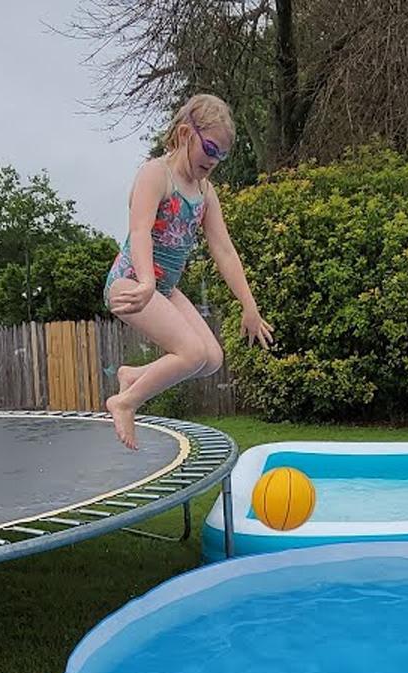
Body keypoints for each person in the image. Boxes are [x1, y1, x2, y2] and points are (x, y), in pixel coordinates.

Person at [103, 93, 273, 449]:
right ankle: (124, 402)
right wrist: (147, 280)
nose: (214, 160)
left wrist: (249, 305)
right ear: (185, 133)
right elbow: (139, 230)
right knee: (192, 353)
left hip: (162, 287)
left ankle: (132, 376)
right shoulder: (156, 174)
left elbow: (224, 250)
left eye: (222, 155)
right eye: (210, 148)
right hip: (130, 282)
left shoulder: (205, 193)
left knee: (210, 359)